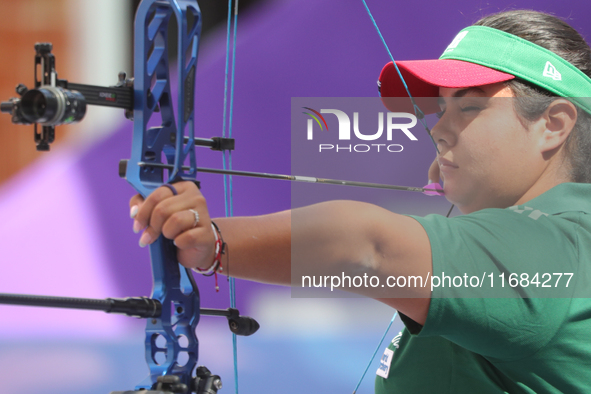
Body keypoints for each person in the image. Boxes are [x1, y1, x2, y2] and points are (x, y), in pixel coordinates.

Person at [128, 10, 591, 393]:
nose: (436, 126)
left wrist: (214, 244)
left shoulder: (557, 247)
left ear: (553, 123)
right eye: (439, 109)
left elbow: (367, 247)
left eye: (468, 106)